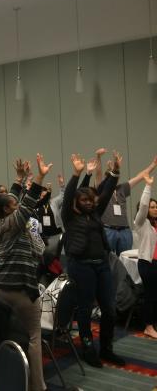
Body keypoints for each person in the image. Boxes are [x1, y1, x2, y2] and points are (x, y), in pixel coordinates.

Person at [0, 154, 51, 391]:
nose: (16, 203)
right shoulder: (13, 221)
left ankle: (12, 371)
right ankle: (39, 386)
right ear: (7, 209)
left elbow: (14, 200)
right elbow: (27, 202)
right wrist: (40, 176)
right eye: (12, 204)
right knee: (34, 335)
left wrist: (18, 179)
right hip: (18, 286)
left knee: (13, 328)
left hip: (0, 284)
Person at [62, 152, 125, 367]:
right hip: (81, 267)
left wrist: (115, 172)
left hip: (102, 266)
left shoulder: (96, 214)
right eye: (84, 200)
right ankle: (88, 348)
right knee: (85, 308)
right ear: (76, 203)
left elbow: (106, 192)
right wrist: (76, 174)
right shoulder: (69, 217)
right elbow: (70, 194)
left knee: (109, 308)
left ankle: (107, 349)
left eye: (91, 200)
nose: (90, 203)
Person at [99, 154, 157, 255]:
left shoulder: (122, 188)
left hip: (124, 230)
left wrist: (153, 164)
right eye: (110, 175)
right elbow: (98, 175)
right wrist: (98, 157)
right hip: (108, 229)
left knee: (125, 258)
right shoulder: (101, 191)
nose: (113, 178)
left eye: (114, 175)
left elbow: (140, 176)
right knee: (107, 258)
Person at [133, 173, 157, 339]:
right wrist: (148, 186)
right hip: (147, 263)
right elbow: (142, 206)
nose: (155, 209)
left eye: (156, 206)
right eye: (152, 207)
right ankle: (148, 326)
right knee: (150, 295)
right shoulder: (141, 223)